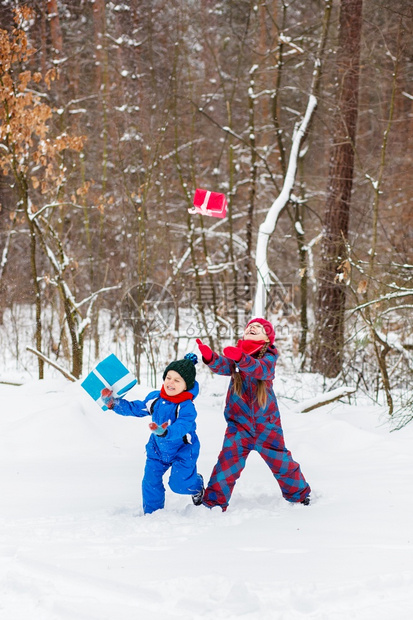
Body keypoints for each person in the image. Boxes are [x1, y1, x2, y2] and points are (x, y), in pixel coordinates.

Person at [196, 318, 311, 511]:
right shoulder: (237, 356)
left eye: (258, 328)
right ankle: (214, 503)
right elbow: (224, 366)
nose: (252, 327)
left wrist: (241, 358)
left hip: (267, 426)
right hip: (238, 426)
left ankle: (299, 495)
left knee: (282, 463)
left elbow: (261, 370)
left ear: (267, 339)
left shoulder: (269, 356)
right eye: (249, 327)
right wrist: (210, 357)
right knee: (227, 463)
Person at [101, 353, 204, 514]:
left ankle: (197, 486)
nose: (171, 382)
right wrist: (113, 403)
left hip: (183, 451)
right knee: (150, 482)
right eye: (168, 377)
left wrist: (166, 432)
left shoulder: (186, 406)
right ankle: (153, 513)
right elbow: (136, 408)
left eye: (177, 380)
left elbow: (183, 426)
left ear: (186, 386)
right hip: (158, 450)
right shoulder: (155, 398)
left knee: (180, 485)